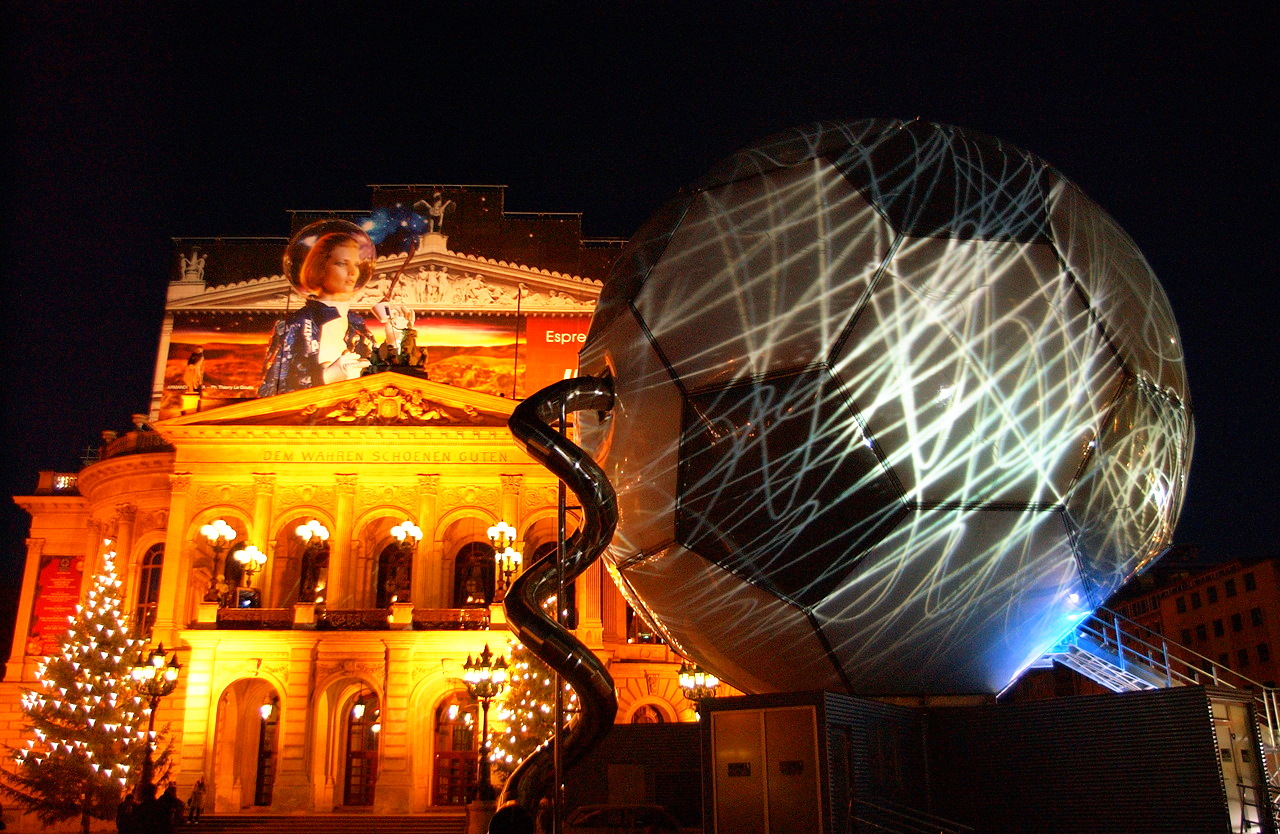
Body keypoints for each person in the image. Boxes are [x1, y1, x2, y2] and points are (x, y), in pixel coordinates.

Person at [259, 221, 377, 397]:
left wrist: (398, 336)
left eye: (357, 264)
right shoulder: (295, 324)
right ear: (320, 267)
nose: (353, 272)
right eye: (342, 263)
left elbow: (378, 374)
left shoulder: (356, 323)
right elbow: (270, 389)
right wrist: (326, 376)